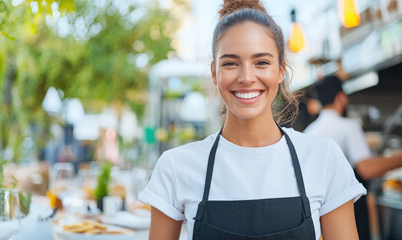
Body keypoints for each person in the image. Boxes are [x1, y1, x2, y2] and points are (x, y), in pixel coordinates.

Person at [140, 1, 366, 239]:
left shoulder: (324, 158)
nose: (247, 77)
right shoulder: (176, 167)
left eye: (261, 62)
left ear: (280, 71)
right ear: (214, 73)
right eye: (230, 63)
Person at [304, 75, 402, 240]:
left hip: (318, 212)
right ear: (341, 97)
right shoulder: (348, 126)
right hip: (348, 210)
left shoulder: (309, 131)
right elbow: (367, 169)